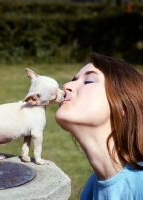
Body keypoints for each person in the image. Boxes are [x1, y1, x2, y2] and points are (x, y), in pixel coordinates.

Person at [55, 52, 143, 199]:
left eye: (88, 81)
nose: (67, 85)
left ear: (124, 106)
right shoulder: (92, 188)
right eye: (74, 80)